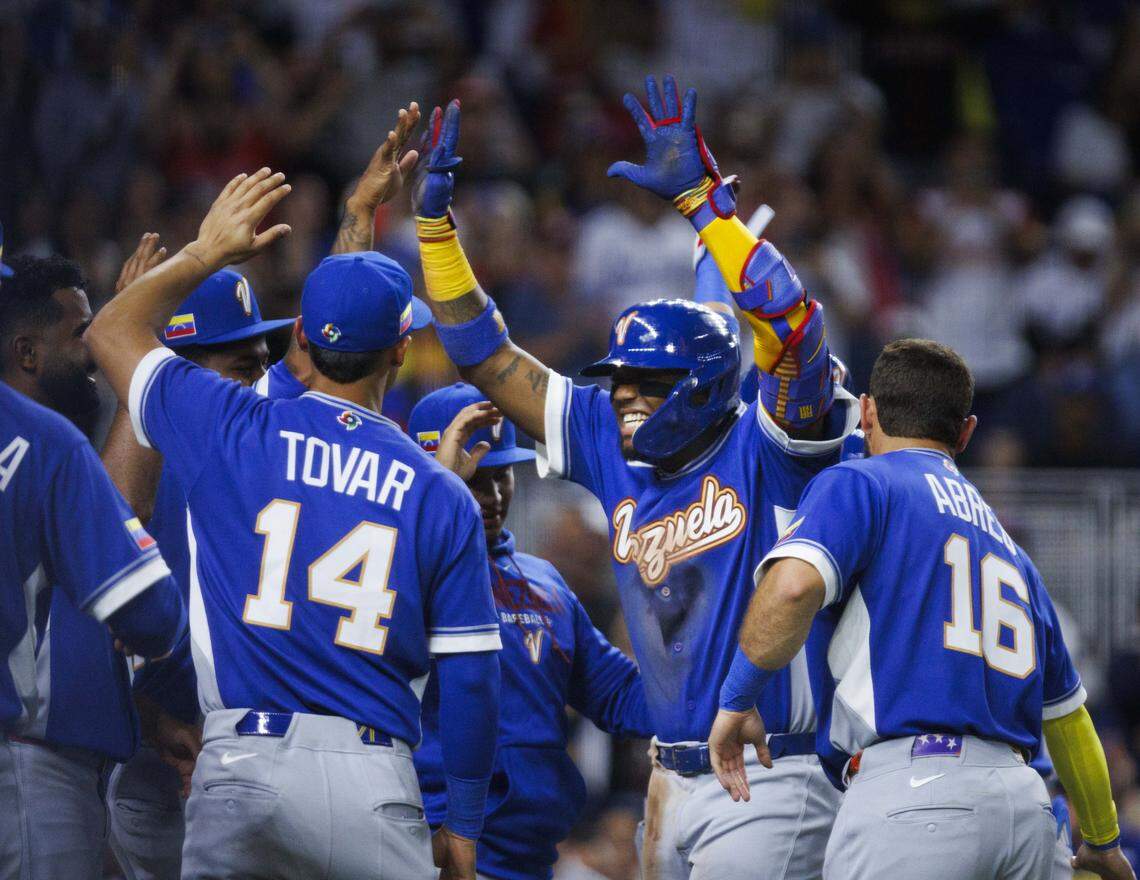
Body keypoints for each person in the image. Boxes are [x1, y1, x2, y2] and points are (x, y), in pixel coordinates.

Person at [411, 76, 859, 879]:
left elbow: (795, 324)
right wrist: (435, 232)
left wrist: (701, 200)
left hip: (771, 772)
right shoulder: (605, 437)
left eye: (645, 382)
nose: (622, 397)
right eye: (617, 380)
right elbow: (485, 355)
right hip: (667, 779)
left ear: (700, 384)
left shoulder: (778, 441)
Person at [85, 168, 502, 880]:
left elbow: (111, 329)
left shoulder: (231, 424)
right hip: (377, 783)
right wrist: (461, 830)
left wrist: (205, 253)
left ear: (300, 337)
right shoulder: (441, 493)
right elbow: (471, 683)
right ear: (402, 349)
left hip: (243, 763)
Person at [706, 339, 1136, 880]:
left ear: (865, 412)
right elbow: (1070, 718)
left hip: (915, 798)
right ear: (966, 432)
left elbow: (792, 588)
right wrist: (1101, 838)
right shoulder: (1013, 552)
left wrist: (738, 697)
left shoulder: (861, 482)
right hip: (1027, 809)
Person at [409, 383, 654, 880]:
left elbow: (622, 697)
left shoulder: (543, 581)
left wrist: (712, 681)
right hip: (432, 847)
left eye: (503, 476)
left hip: (533, 852)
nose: (495, 496)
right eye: (476, 479)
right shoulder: (405, 571)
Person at [0, 252, 186, 879]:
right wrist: (134, 349)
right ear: (27, 352)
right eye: (82, 332)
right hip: (27, 762)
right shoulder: (46, 447)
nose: (93, 349)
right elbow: (155, 618)